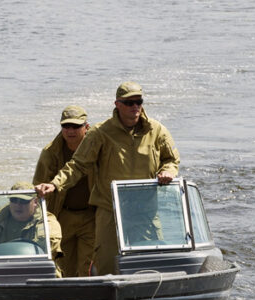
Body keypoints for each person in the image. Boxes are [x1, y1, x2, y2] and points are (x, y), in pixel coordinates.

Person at [35, 82, 180, 275]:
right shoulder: (100, 132)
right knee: (106, 266)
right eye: (129, 103)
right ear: (117, 104)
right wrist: (55, 184)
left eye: (139, 101)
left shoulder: (157, 130)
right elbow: (78, 165)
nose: (135, 106)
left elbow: (172, 159)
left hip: (145, 210)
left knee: (151, 263)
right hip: (109, 210)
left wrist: (168, 171)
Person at [33, 105, 95, 277]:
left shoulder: (96, 147)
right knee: (63, 266)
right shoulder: (50, 152)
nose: (70, 131)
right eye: (66, 126)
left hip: (91, 215)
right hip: (63, 216)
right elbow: (38, 184)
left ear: (86, 127)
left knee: (86, 268)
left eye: (76, 126)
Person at [0, 182, 63, 263]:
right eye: (14, 200)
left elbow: (49, 252)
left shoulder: (47, 223)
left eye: (23, 201)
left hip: (36, 270)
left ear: (35, 202)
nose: (18, 205)